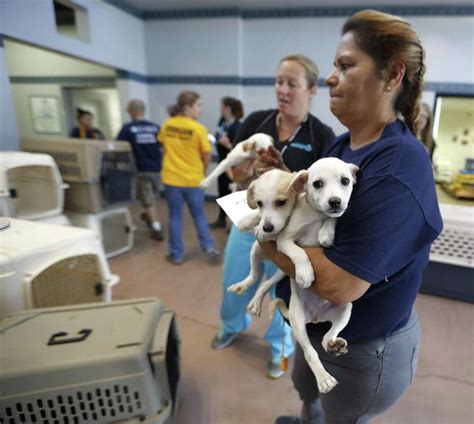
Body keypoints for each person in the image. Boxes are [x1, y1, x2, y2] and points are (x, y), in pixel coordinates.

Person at [257, 10, 443, 424]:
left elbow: (339, 284)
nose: (329, 77)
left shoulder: (397, 168)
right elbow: (314, 207)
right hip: (314, 326)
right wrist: (282, 185)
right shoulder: (343, 146)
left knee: (343, 414)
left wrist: (264, 235)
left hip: (361, 348)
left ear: (392, 76)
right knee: (310, 395)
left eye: (345, 65)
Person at [210, 54, 336, 380]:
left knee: (283, 291)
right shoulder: (257, 122)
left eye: (292, 84)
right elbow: (235, 174)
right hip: (251, 220)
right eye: (279, 82)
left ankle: (281, 349)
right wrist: (248, 169)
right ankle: (231, 325)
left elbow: (323, 196)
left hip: (294, 229)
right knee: (234, 279)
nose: (282, 89)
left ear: (311, 91)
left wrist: (285, 175)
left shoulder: (321, 136)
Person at [158, 90, 220, 265]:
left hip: (171, 179)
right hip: (193, 180)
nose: (200, 109)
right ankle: (209, 248)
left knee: (175, 217)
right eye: (198, 105)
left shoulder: (167, 125)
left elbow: (164, 149)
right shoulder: (198, 129)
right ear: (187, 107)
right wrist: (201, 171)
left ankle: (176, 254)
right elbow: (206, 154)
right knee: (199, 216)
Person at [116, 99, 164, 241]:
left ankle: (156, 227)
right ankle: (147, 216)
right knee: (151, 196)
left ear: (132, 111)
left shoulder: (128, 128)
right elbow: (163, 146)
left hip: (141, 168)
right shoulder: (156, 127)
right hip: (156, 168)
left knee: (147, 198)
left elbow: (119, 146)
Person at [210, 97, 244, 229]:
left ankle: (234, 224)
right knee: (222, 192)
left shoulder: (238, 127)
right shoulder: (222, 122)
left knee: (234, 195)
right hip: (222, 163)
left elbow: (240, 149)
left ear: (228, 108)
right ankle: (221, 219)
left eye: (222, 107)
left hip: (233, 166)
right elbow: (218, 137)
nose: (220, 110)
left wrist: (227, 144)